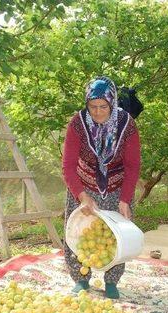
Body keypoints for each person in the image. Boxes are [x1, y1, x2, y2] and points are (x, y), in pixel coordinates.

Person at [61, 76, 141, 299]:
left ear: (112, 103)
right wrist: (82, 195)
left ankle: (112, 281)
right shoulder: (77, 124)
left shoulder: (127, 125)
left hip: (116, 186)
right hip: (83, 183)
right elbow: (68, 166)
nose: (97, 112)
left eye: (103, 106)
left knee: (116, 235)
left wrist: (125, 199)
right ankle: (81, 279)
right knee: (79, 231)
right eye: (92, 106)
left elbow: (133, 166)